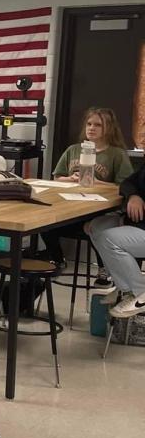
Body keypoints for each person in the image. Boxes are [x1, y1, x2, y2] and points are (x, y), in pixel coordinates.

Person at [42, 108, 132, 268]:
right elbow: (57, 176)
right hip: (70, 204)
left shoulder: (116, 154)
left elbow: (125, 185)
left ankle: (104, 268)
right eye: (89, 124)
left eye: (98, 125)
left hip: (98, 209)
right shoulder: (73, 149)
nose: (91, 128)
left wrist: (98, 183)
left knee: (96, 229)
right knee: (44, 223)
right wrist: (70, 178)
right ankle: (57, 259)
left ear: (109, 128)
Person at [91, 161, 145, 317]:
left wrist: (127, 219)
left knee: (108, 238)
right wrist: (134, 196)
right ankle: (125, 289)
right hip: (139, 223)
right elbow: (127, 183)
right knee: (97, 226)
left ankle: (140, 292)